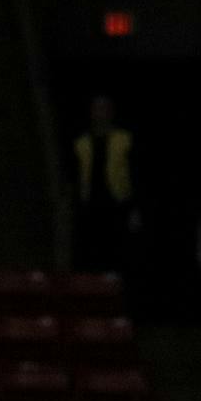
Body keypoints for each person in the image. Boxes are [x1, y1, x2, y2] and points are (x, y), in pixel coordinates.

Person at [72, 93, 136, 275]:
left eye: (104, 109)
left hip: (116, 202)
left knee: (115, 246)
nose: (100, 113)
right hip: (90, 202)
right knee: (91, 246)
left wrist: (132, 207)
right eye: (96, 109)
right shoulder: (81, 143)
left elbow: (132, 172)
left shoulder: (124, 139)